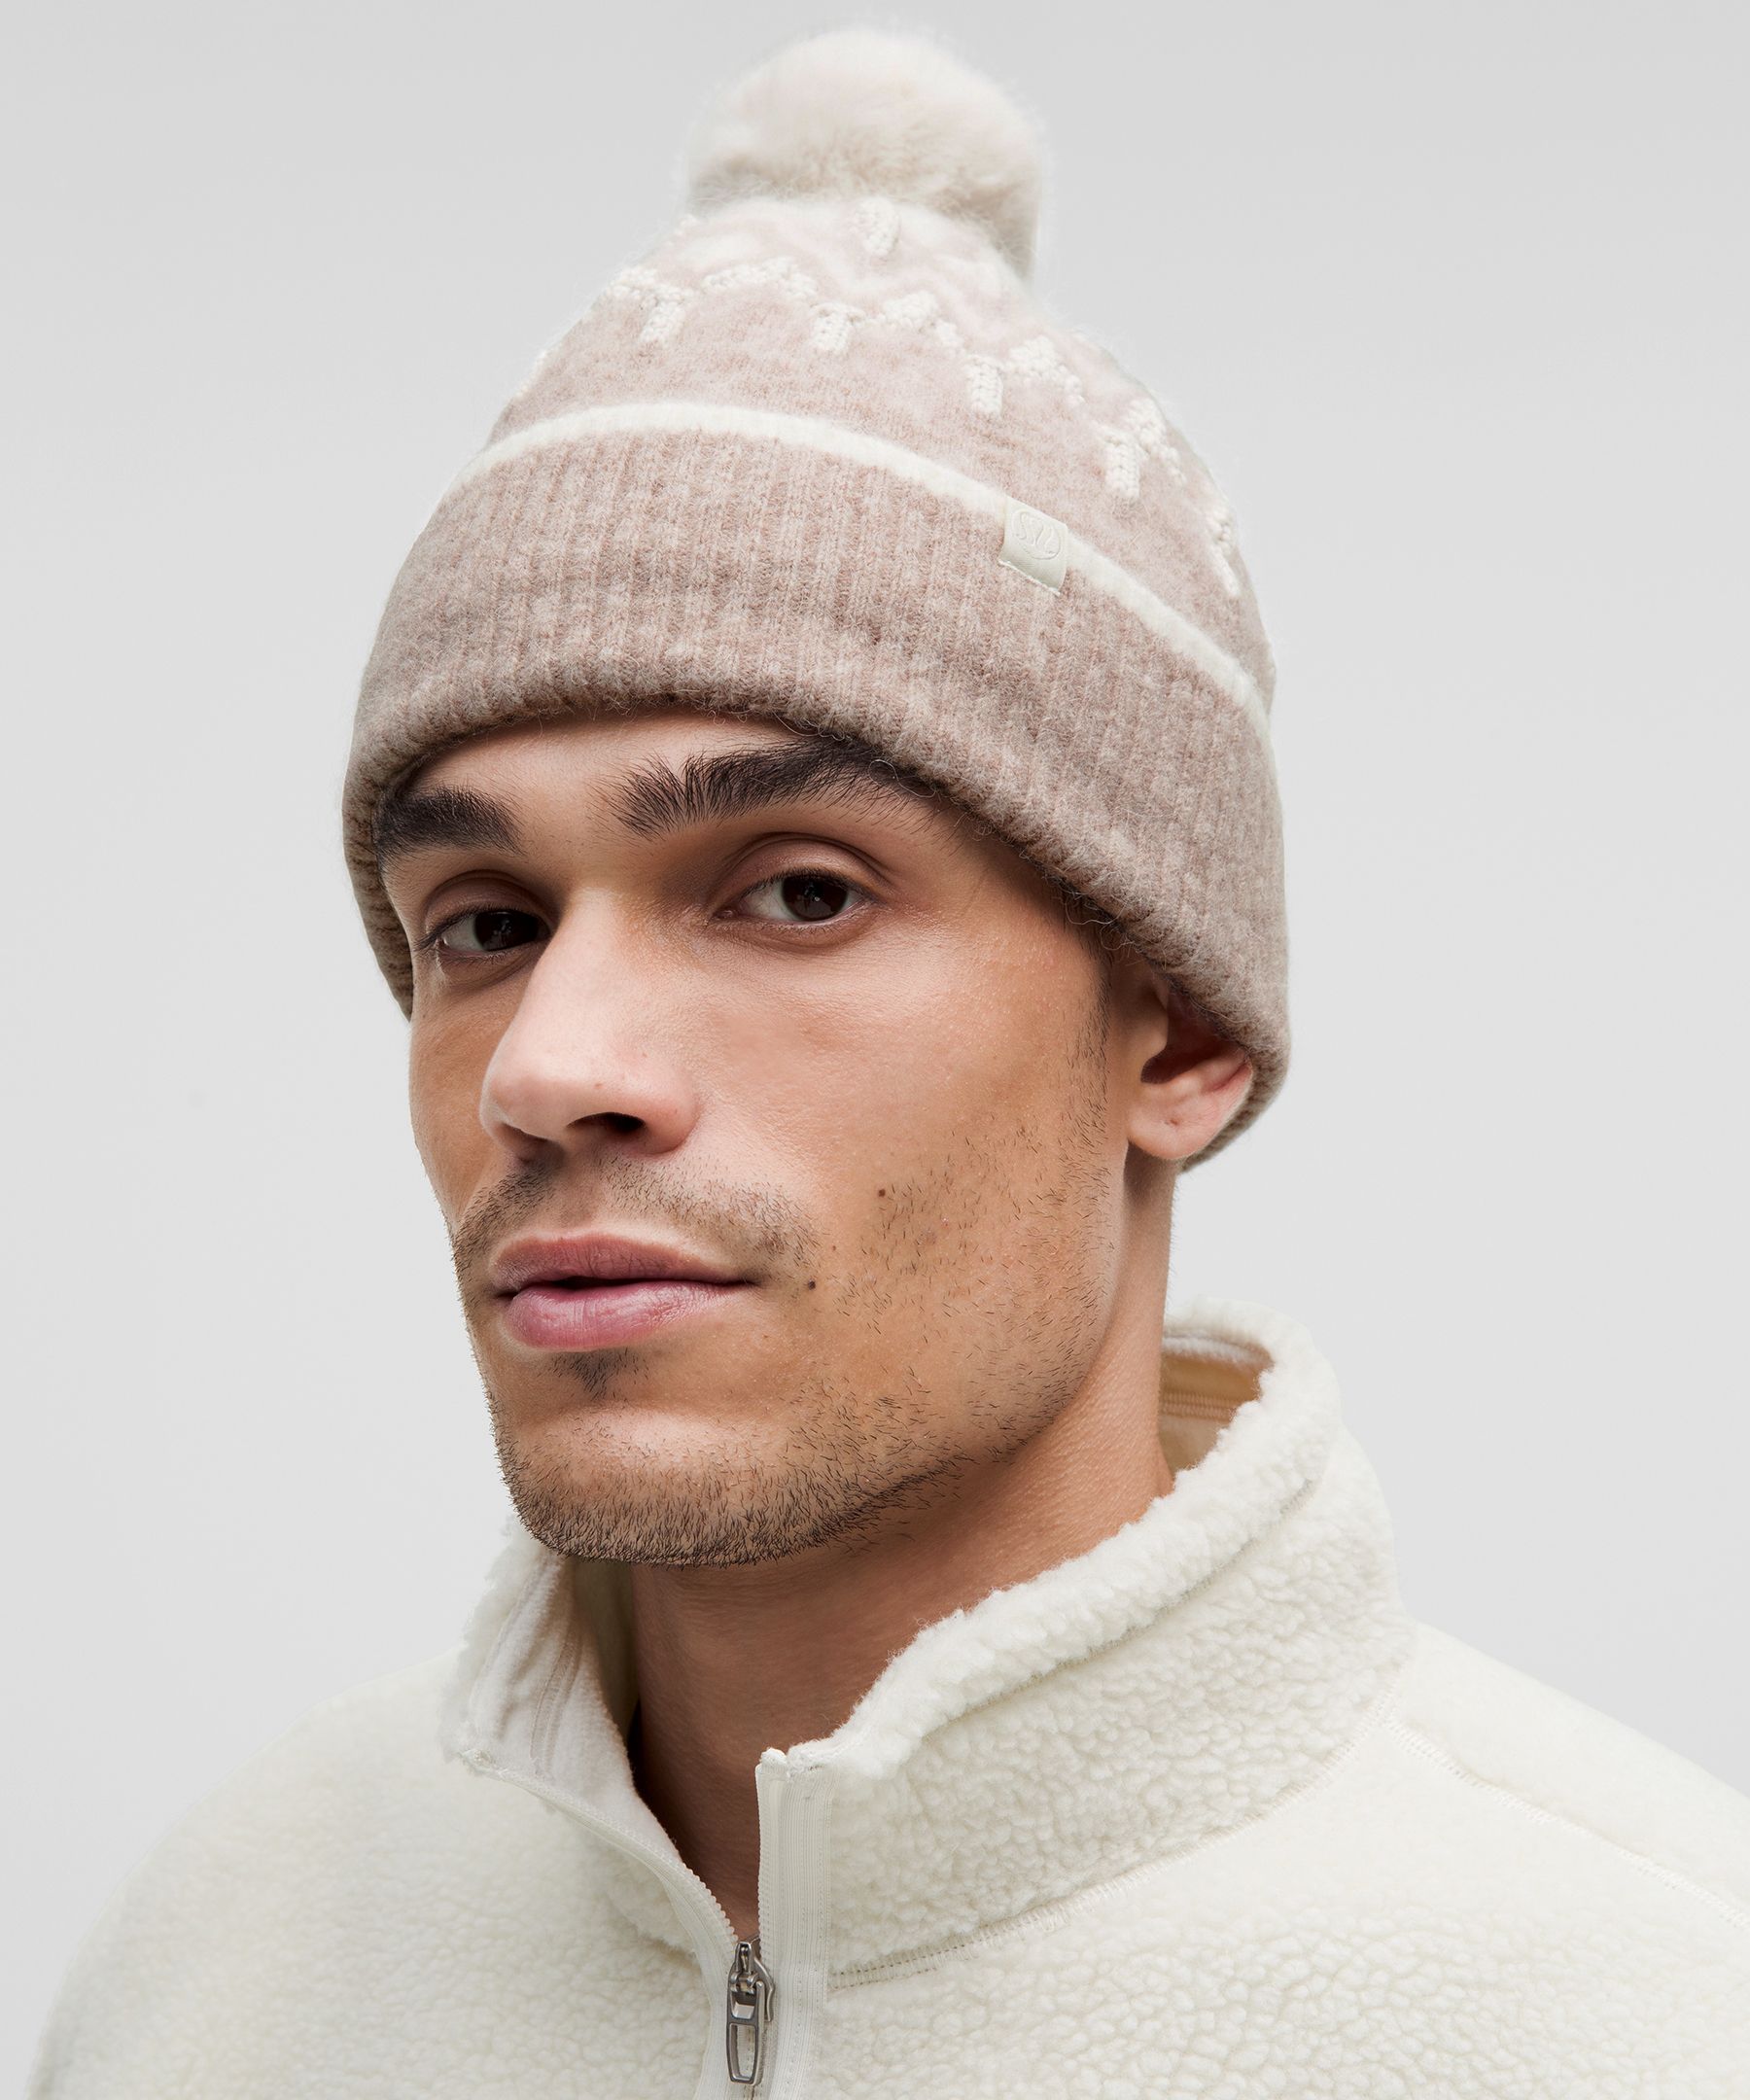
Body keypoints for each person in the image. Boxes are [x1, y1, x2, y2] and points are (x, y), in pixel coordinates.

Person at [28, 25, 1750, 2097]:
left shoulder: (1651, 2013)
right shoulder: (228, 1964)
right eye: (482, 923)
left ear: (1186, 1024)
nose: (546, 1067)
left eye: (796, 893)